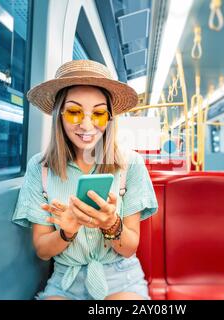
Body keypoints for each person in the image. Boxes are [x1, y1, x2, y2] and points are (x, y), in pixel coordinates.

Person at [12, 60, 158, 300]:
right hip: (65, 281)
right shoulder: (40, 168)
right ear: (59, 114)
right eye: (74, 111)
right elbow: (43, 251)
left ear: (109, 118)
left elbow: (129, 247)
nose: (87, 125)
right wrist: (66, 232)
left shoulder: (130, 164)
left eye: (99, 113)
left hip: (121, 279)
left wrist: (111, 224)